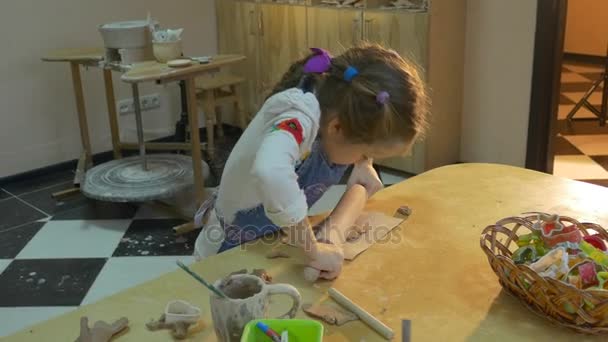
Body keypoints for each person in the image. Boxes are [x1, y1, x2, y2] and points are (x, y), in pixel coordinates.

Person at [194, 43, 429, 280]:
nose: (364, 159)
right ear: (337, 128)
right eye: (365, 152)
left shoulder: (342, 104)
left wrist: (362, 165)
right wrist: (313, 250)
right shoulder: (298, 116)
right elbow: (270, 171)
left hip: (266, 244)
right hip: (225, 252)